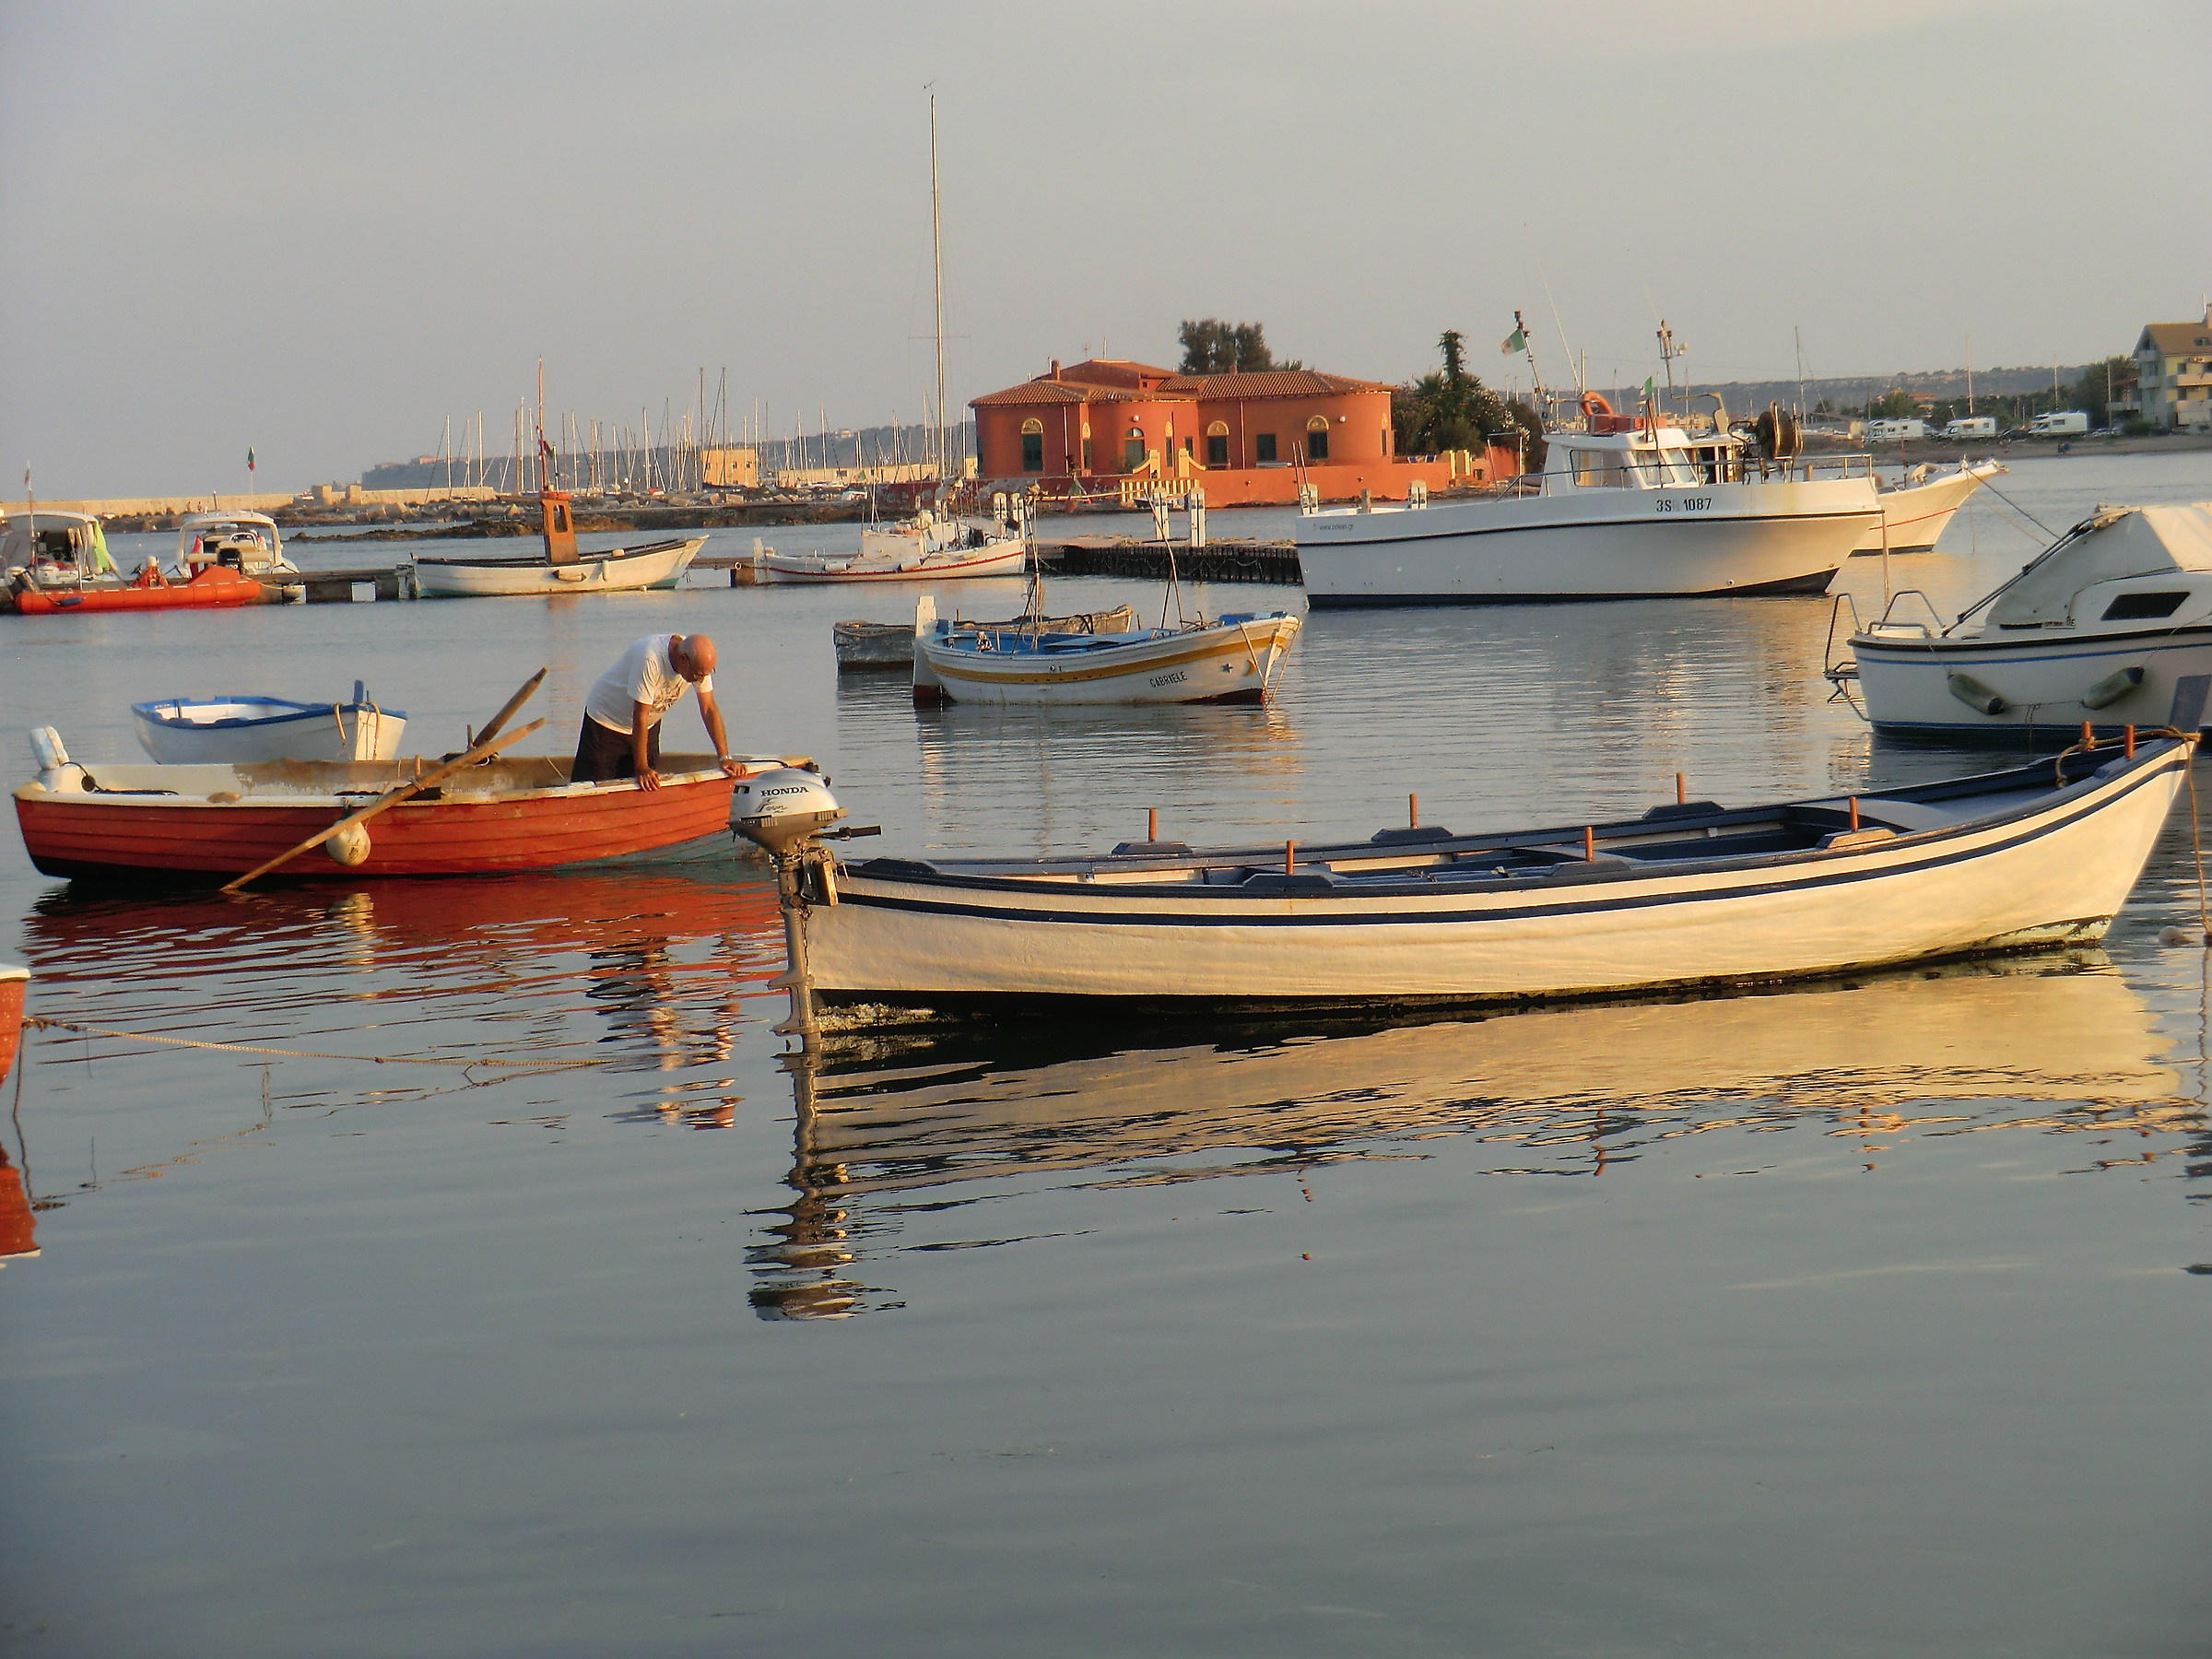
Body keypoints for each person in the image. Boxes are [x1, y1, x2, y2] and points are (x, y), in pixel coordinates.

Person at [572, 632, 743, 790]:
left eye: (705, 674)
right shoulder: (650, 658)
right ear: (683, 659)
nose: (701, 679)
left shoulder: (698, 662)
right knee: (597, 785)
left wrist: (724, 758)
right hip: (606, 722)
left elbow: (708, 708)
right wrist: (641, 768)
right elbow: (639, 715)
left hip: (647, 727)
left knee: (650, 784)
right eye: (698, 675)